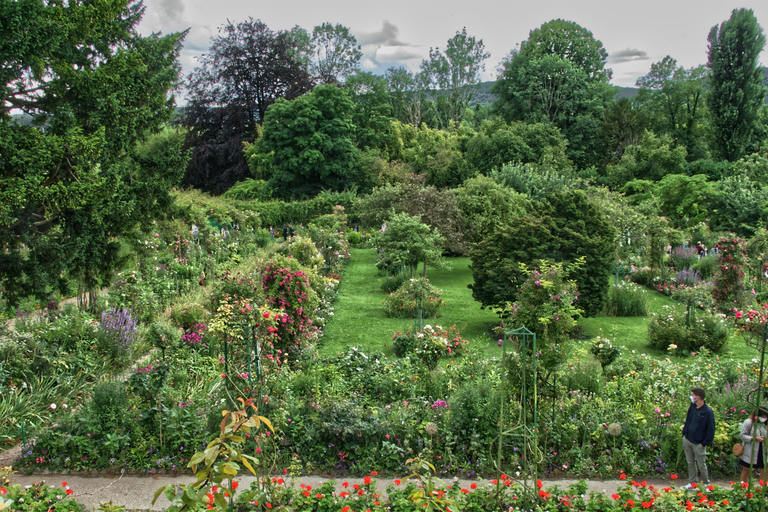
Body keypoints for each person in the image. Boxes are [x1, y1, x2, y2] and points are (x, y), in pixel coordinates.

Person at [680, 387, 715, 489]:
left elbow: (711, 429)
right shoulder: (692, 407)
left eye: (693, 395)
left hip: (699, 443)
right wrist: (684, 434)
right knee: (690, 463)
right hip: (688, 439)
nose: (691, 397)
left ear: (698, 397)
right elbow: (688, 420)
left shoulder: (708, 412)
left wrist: (704, 443)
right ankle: (692, 483)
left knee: (701, 464)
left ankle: (706, 484)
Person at [739, 406, 768, 483]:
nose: (763, 419)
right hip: (750, 450)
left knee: (764, 471)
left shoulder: (766, 424)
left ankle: (763, 490)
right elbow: (742, 436)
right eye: (762, 417)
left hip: (762, 451)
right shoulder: (749, 422)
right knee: (746, 470)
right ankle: (743, 488)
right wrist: (754, 438)